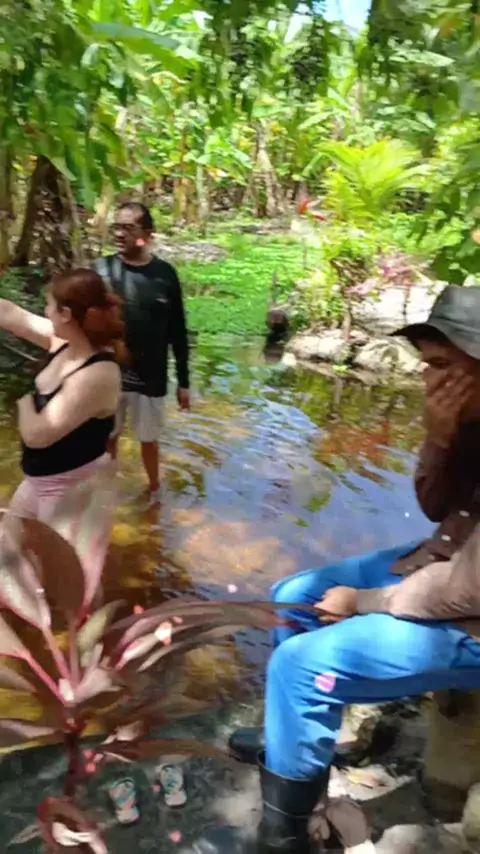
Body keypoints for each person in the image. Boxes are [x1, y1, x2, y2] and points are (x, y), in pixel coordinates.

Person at [198, 285, 480, 853]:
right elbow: (434, 507)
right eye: (427, 365)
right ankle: (293, 749)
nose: (429, 380)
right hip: (448, 562)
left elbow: (469, 588)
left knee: (301, 667)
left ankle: (285, 836)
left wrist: (367, 601)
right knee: (295, 596)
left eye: (443, 367)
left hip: (469, 606)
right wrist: (439, 437)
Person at [0, 268, 123, 522]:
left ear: (65, 314)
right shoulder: (65, 343)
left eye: (49, 305)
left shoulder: (98, 373)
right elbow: (9, 314)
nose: (46, 311)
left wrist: (23, 397)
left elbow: (37, 435)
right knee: (10, 544)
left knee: (54, 551)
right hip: (37, 482)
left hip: (71, 492)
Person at [93, 202, 190, 501]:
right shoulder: (101, 270)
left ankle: (154, 492)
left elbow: (178, 329)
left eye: (128, 228)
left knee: (149, 440)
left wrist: (184, 381)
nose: (119, 234)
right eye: (116, 227)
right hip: (109, 373)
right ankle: (105, 493)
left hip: (151, 375)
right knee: (107, 436)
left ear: (146, 234)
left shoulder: (164, 274)